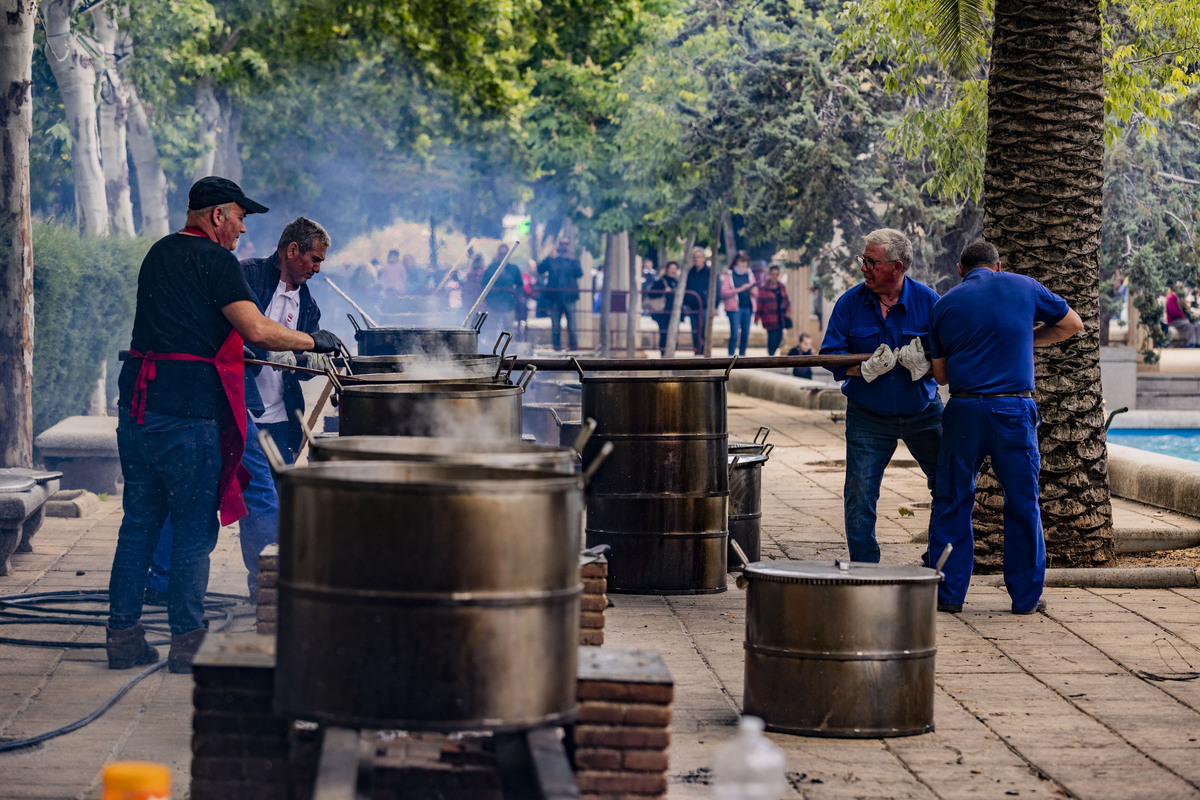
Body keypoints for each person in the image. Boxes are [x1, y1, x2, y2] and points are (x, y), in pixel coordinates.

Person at [108, 176, 344, 674]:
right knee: (195, 527)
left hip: (136, 409)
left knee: (138, 526)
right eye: (239, 218)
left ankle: (123, 636)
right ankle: (188, 644)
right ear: (217, 216)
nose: (241, 230)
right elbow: (256, 329)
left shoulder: (158, 253)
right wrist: (311, 342)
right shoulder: (217, 261)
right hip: (187, 414)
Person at [925, 241, 1083, 615]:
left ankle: (948, 595)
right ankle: (1026, 599)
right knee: (1023, 502)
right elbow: (1072, 324)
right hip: (1014, 409)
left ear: (961, 270)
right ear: (999, 266)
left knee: (952, 499)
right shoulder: (1025, 286)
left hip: (964, 411)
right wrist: (1026, 337)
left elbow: (942, 376)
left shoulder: (944, 304)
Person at [818, 228, 943, 563]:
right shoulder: (849, 304)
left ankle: (938, 560)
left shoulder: (929, 302)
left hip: (923, 410)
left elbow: (950, 359)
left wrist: (926, 366)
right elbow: (829, 357)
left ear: (897, 266)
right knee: (859, 492)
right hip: (868, 415)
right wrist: (864, 369)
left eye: (872, 262)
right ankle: (864, 568)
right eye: (864, 260)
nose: (864, 268)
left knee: (948, 483)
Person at [243, 217, 330, 464]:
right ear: (292, 250)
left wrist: (317, 363)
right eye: (315, 259)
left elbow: (303, 371)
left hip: (280, 419)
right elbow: (233, 337)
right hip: (239, 413)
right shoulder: (246, 276)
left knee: (279, 495)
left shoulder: (309, 307)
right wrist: (278, 354)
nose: (317, 269)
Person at [538, 236, 585, 350]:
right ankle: (557, 347)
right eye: (562, 244)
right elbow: (540, 270)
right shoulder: (552, 260)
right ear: (559, 246)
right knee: (555, 325)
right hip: (555, 297)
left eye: (566, 244)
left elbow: (579, 273)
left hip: (569, 297)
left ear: (569, 246)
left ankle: (574, 347)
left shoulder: (573, 260)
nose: (564, 246)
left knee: (572, 325)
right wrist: (549, 255)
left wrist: (573, 260)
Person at [483, 243, 525, 341]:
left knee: (509, 330)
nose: (503, 257)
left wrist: (515, 294)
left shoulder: (514, 269)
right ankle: (490, 351)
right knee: (491, 331)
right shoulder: (491, 268)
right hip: (493, 305)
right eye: (501, 254)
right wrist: (489, 297)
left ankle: (509, 351)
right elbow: (484, 285)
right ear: (498, 254)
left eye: (505, 254)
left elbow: (520, 285)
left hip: (509, 305)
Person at [721, 251, 757, 356]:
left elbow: (755, 289)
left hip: (747, 307)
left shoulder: (749, 274)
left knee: (745, 334)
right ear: (736, 261)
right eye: (742, 260)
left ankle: (742, 356)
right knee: (735, 334)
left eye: (746, 261)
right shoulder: (729, 274)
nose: (744, 263)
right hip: (734, 308)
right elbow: (724, 292)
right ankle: (731, 355)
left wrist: (753, 291)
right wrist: (739, 289)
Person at [756, 264, 791, 355]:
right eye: (772, 274)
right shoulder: (764, 288)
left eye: (776, 274)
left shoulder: (781, 287)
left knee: (779, 337)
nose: (774, 276)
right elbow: (760, 303)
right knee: (772, 337)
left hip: (780, 317)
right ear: (769, 275)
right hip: (769, 317)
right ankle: (771, 355)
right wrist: (757, 317)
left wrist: (788, 310)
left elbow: (786, 300)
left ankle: (772, 354)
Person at [683, 247, 711, 354]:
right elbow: (686, 287)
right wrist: (687, 302)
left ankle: (704, 352)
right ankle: (697, 351)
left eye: (699, 257)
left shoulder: (709, 272)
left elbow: (715, 288)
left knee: (704, 331)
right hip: (693, 307)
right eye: (695, 257)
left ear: (703, 258)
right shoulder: (690, 272)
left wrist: (714, 306)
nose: (696, 259)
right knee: (695, 331)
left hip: (705, 307)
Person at [648, 261, 680, 354]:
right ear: (667, 270)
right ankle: (663, 356)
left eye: (675, 269)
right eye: (671, 269)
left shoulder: (677, 282)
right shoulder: (661, 281)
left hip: (675, 313)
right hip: (663, 314)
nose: (673, 271)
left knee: (674, 335)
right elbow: (651, 293)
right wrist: (663, 291)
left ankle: (671, 355)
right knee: (664, 334)